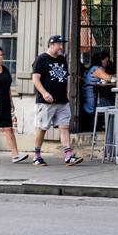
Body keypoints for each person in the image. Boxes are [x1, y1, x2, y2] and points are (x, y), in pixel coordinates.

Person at [31, 34, 82, 165]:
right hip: (46, 101)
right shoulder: (41, 59)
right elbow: (35, 79)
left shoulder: (62, 59)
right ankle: (36, 155)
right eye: (59, 44)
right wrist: (44, 93)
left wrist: (67, 95)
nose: (61, 47)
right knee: (42, 128)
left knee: (64, 126)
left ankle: (68, 155)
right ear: (51, 45)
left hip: (62, 101)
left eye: (61, 44)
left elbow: (65, 79)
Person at [82, 51, 117, 128]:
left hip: (88, 102)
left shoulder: (91, 69)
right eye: (106, 61)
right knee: (116, 102)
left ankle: (106, 124)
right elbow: (110, 79)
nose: (108, 63)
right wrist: (116, 75)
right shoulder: (96, 69)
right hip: (92, 104)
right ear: (101, 60)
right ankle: (110, 126)